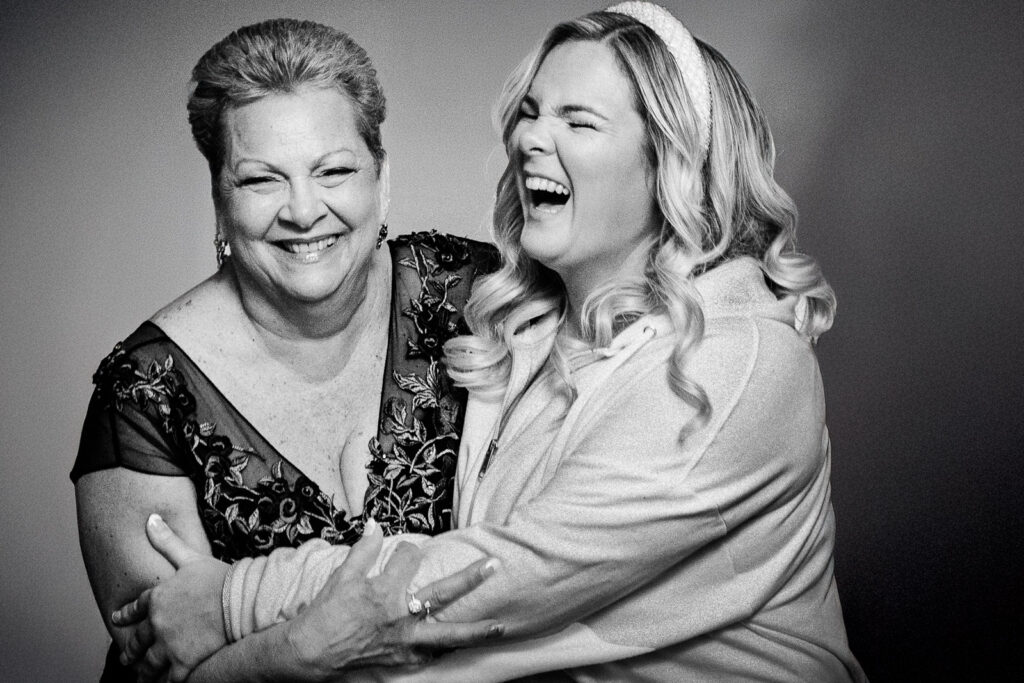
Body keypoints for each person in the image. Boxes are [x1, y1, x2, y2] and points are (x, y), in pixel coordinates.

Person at [115, 3, 867, 681]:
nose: (530, 136)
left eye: (579, 121)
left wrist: (234, 602)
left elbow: (500, 577)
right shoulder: (522, 327)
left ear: (671, 162)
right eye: (532, 112)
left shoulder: (733, 361)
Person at [71, 18, 506, 683]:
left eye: (334, 170)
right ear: (218, 198)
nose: (304, 211)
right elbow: (159, 674)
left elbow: (561, 541)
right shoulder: (144, 395)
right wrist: (306, 648)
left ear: (381, 179)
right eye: (260, 181)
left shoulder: (472, 294)